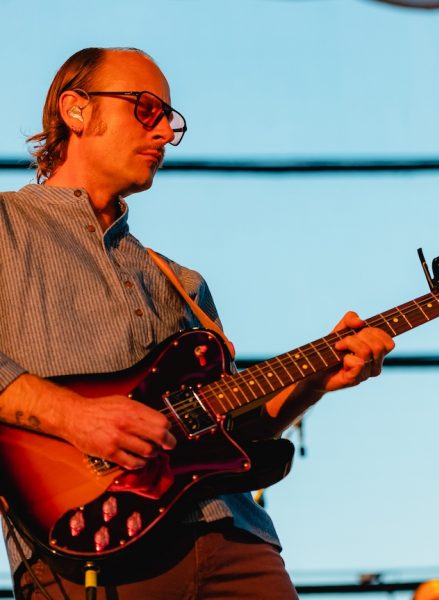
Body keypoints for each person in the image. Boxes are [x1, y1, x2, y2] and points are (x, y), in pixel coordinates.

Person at [0, 47, 395, 599]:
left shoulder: (184, 283)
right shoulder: (7, 225)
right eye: (145, 109)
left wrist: (313, 383)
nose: (163, 132)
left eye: (169, 120)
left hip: (237, 545)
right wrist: (73, 417)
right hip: (89, 554)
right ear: (76, 110)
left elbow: (227, 436)